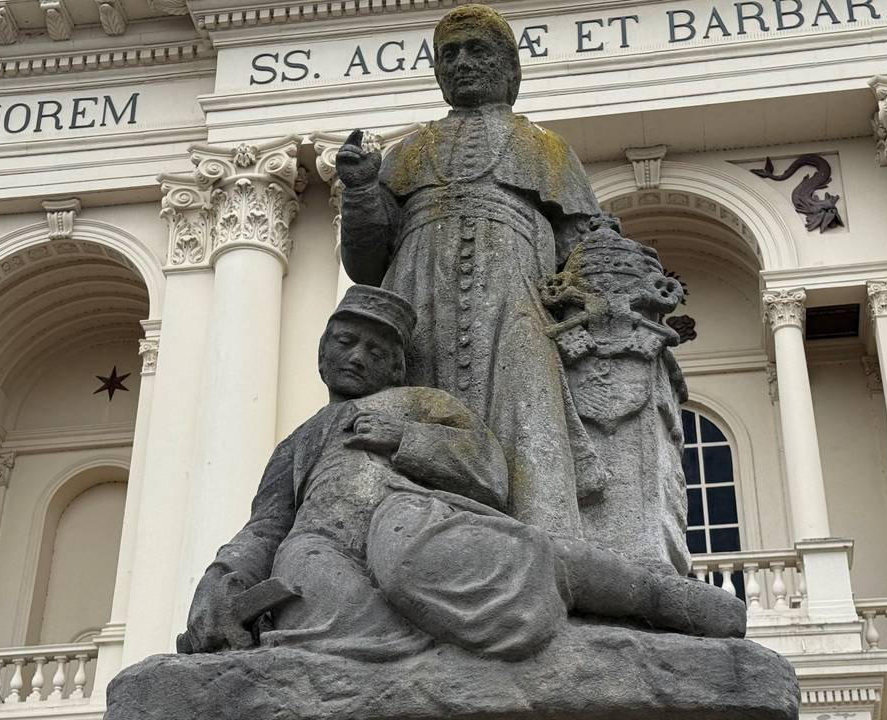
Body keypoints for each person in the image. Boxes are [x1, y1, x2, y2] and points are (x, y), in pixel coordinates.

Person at [179, 286, 745, 661]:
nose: (356, 357)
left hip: (401, 512)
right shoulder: (295, 442)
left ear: (397, 364)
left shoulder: (420, 401)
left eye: (376, 349)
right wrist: (222, 582)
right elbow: (266, 525)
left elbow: (487, 471)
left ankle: (654, 598)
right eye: (345, 342)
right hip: (317, 546)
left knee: (424, 562)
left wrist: (407, 439)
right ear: (323, 349)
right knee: (322, 624)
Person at [336, 4, 609, 539]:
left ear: (509, 68)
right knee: (410, 419)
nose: (461, 63)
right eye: (449, 55)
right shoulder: (408, 151)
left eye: (477, 50)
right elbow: (366, 264)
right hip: (417, 303)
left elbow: (585, 249)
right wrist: (364, 190)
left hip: (517, 301)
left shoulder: (546, 149)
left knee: (529, 418)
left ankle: (549, 546)